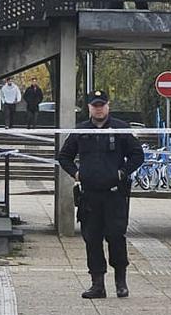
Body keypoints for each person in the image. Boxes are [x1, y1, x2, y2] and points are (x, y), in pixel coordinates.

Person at [58, 89, 144, 300]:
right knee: (92, 239)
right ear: (89, 108)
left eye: (101, 105)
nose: (98, 109)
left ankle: (121, 282)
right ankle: (97, 285)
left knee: (116, 236)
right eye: (95, 106)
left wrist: (122, 173)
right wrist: (76, 173)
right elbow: (64, 156)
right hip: (89, 196)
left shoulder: (120, 129)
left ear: (108, 106)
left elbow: (137, 155)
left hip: (114, 195)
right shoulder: (81, 130)